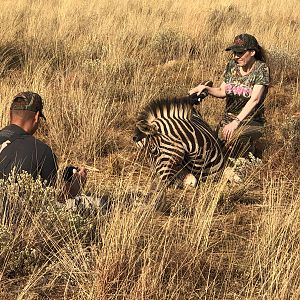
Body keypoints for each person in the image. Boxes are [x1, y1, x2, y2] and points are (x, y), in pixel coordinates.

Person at [189, 33, 270, 158]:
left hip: (251, 122)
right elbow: (222, 91)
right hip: (228, 120)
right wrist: (206, 89)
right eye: (234, 53)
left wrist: (236, 122)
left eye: (240, 53)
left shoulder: (261, 68)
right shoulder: (232, 66)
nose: (236, 56)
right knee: (209, 146)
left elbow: (255, 99)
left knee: (234, 142)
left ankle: (252, 154)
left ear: (252, 52)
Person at [0, 91, 87, 199]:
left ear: (10, 114)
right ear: (36, 117)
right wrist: (76, 187)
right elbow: (54, 199)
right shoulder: (41, 151)